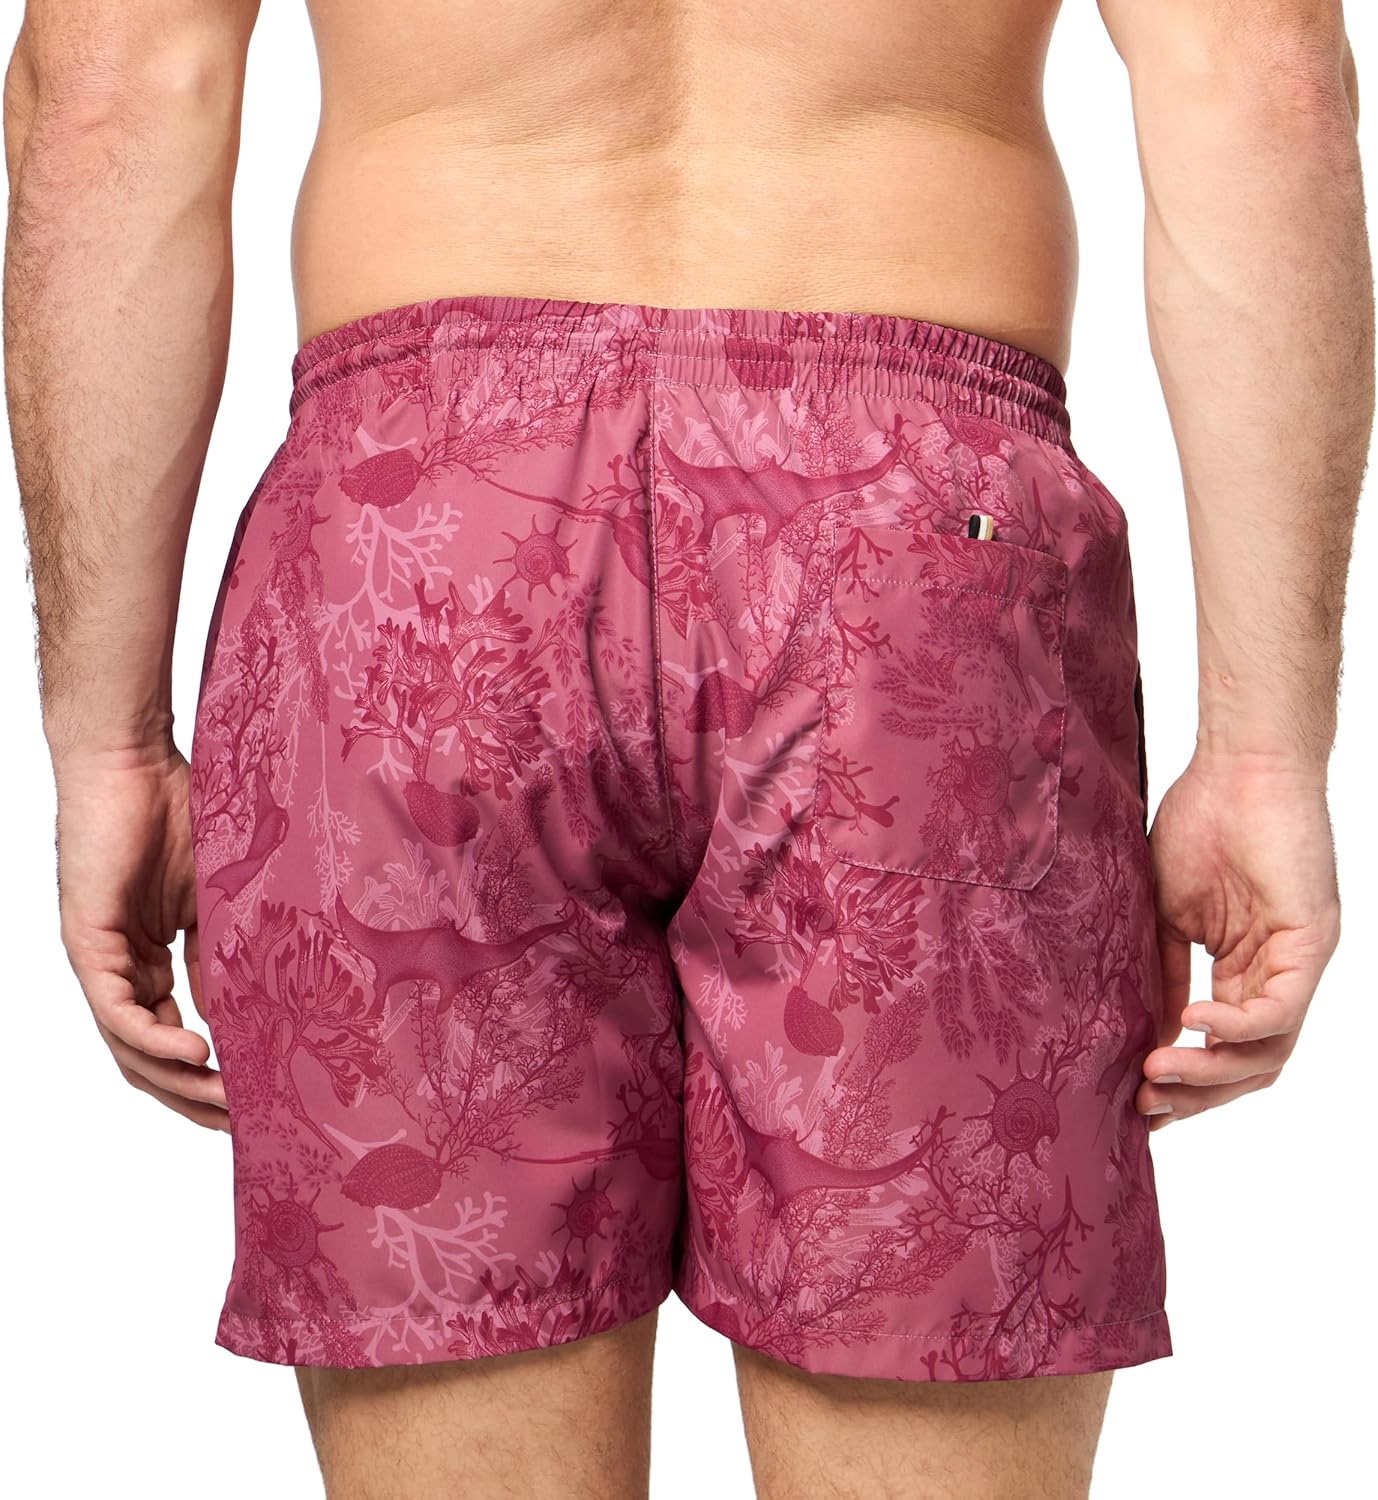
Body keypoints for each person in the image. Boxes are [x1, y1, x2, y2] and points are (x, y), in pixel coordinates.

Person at [3, 0, 1368, 1495]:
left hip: (427, 550)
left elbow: (108, 94)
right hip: (908, 546)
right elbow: (1258, 86)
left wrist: (107, 743)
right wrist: (1263, 755)